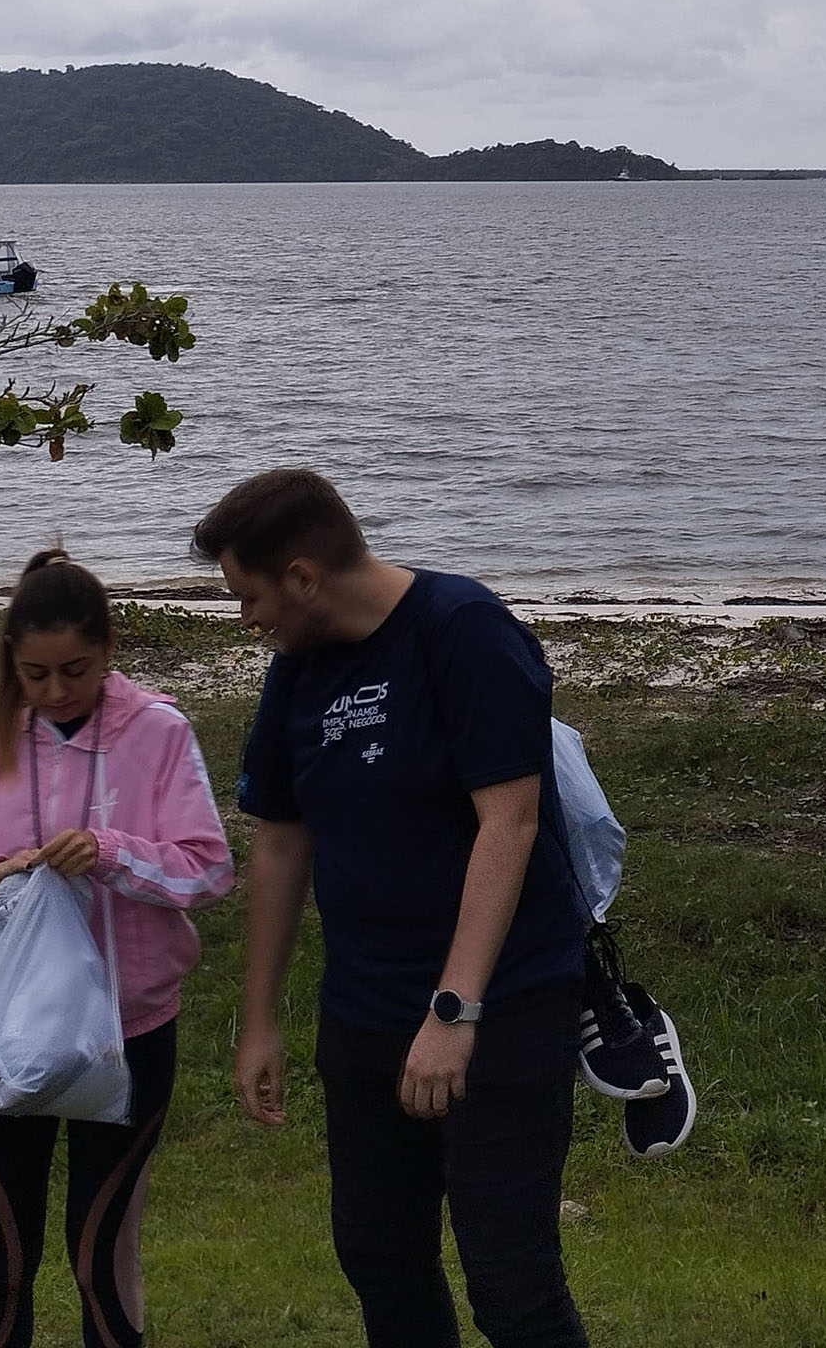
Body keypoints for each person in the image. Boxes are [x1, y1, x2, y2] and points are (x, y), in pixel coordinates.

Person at [208, 467, 594, 1348]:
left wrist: (455, 1010)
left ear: (303, 577)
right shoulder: (298, 672)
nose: (246, 618)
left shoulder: (463, 632)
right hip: (366, 1009)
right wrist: (258, 1020)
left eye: (250, 595)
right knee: (380, 1257)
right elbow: (279, 840)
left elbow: (511, 820)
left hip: (503, 1003)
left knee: (511, 1279)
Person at [0, 550, 236, 1348]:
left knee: (100, 1256)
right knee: (2, 1259)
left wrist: (112, 852)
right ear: (11, 662)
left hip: (128, 1033)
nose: (58, 691)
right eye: (36, 674)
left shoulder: (160, 734)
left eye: (77, 669)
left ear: (109, 650)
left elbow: (208, 868)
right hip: (6, 1033)